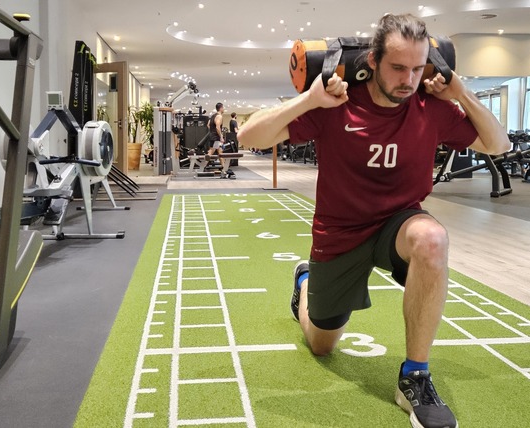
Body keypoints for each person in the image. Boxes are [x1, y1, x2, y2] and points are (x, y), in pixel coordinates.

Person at [238, 13, 509, 428]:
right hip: (340, 232)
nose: (409, 79)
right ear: (373, 60)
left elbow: (497, 144)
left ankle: (415, 377)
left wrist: (461, 92)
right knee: (321, 343)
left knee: (432, 240)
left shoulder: (430, 109)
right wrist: (310, 99)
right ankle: (306, 282)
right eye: (398, 68)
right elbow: (248, 138)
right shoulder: (336, 103)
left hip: (398, 224)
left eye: (418, 68)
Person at [206, 102, 231, 178]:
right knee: (212, 151)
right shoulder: (219, 116)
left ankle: (224, 168)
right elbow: (217, 127)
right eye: (223, 108)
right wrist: (221, 136)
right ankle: (208, 156)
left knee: (220, 152)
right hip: (216, 137)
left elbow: (208, 125)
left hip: (212, 136)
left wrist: (212, 131)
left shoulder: (213, 116)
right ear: (220, 108)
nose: (224, 109)